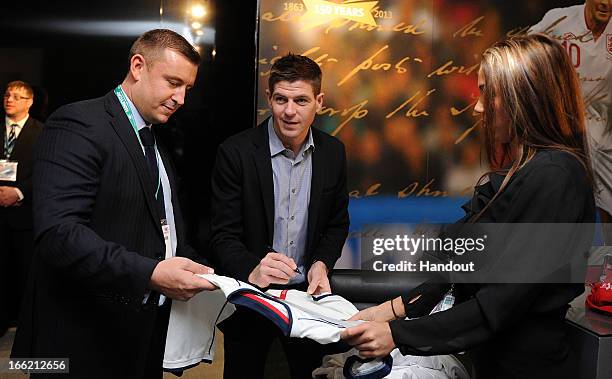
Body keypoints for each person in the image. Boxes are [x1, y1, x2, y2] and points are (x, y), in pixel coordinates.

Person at [340, 34, 596, 379]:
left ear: (525, 96)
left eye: (488, 92)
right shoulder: (524, 172)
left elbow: (501, 303)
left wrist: (397, 335)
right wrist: (391, 311)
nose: (477, 108)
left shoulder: (555, 176)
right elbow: (461, 260)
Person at [11, 29, 215, 379]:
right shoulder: (78, 123)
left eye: (187, 88)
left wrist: (227, 276)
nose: (180, 97)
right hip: (79, 339)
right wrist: (150, 274)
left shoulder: (154, 140)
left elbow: (161, 232)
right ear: (138, 66)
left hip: (137, 334)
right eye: (173, 82)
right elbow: (59, 234)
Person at [209, 53, 350, 378]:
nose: (290, 111)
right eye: (281, 99)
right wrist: (252, 268)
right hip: (251, 299)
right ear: (269, 99)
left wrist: (321, 263)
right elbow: (222, 235)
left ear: (319, 101)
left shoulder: (333, 152)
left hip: (309, 299)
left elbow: (336, 222)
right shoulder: (235, 152)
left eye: (301, 100)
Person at [531, 0, 611, 242]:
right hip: (566, 134)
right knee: (567, 215)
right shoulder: (559, 21)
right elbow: (524, 52)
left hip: (607, 135)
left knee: (608, 221)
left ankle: (603, 280)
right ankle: (562, 276)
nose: (607, 3)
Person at [0, 80, 43, 338]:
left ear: (29, 102)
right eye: (7, 95)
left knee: (24, 271)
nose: (9, 99)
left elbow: (45, 170)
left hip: (24, 215)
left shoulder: (41, 132)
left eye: (16, 96)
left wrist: (18, 192)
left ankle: (25, 324)